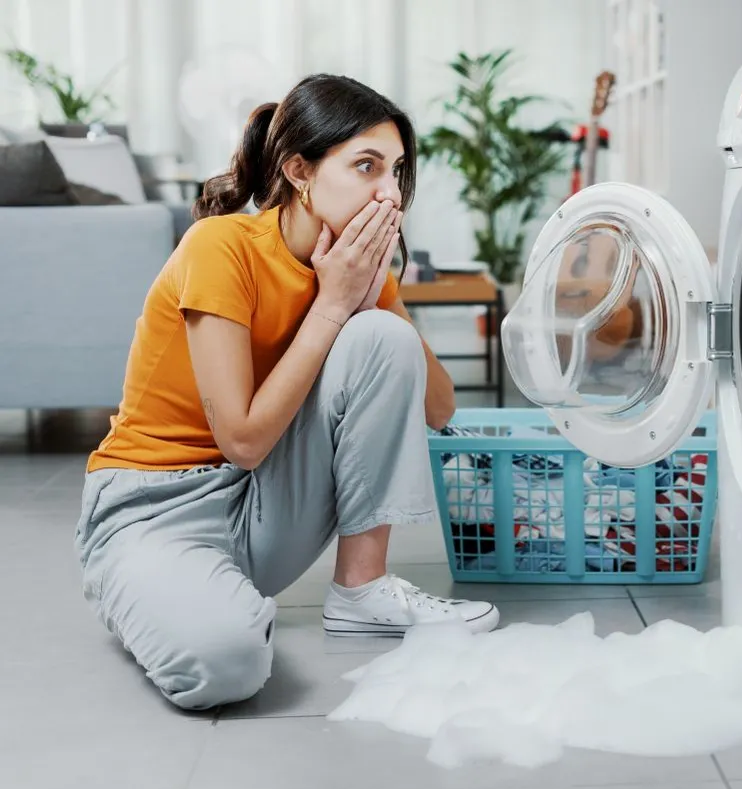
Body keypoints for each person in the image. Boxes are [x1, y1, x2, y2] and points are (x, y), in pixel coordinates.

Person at [73, 73, 500, 712]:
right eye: (366, 166)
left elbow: (440, 408)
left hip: (263, 505)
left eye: (397, 172)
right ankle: (153, 588)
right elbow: (241, 440)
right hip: (151, 508)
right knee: (226, 665)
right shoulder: (221, 246)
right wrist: (332, 305)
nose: (390, 193)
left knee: (382, 336)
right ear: (300, 170)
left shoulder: (353, 272)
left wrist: (375, 292)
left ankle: (361, 590)